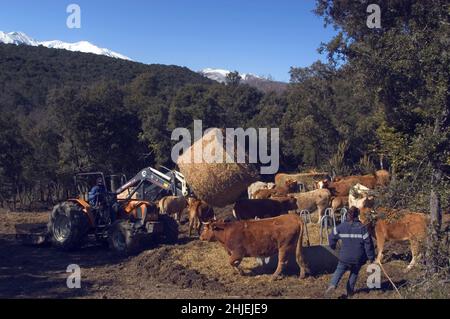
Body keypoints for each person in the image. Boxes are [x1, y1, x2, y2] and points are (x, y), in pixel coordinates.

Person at [325, 206, 375, 298]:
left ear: (347, 215)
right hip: (358, 258)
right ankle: (350, 292)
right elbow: (368, 243)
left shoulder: (341, 226)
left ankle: (333, 285)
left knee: (339, 270)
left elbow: (331, 236)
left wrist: (333, 245)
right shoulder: (362, 228)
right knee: (354, 273)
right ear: (358, 216)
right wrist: (371, 257)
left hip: (344, 256)